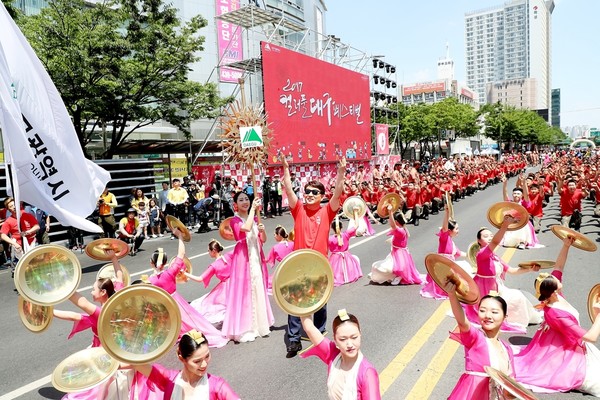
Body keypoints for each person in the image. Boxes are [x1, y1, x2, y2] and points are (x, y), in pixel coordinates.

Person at [513, 236, 600, 396]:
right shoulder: (557, 314)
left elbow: (559, 265)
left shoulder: (553, 293)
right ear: (552, 290)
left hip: (567, 338)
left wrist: (566, 245)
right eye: (554, 278)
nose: (557, 275)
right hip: (568, 348)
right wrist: (599, 315)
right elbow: (591, 337)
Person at [280, 155, 346, 357]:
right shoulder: (298, 209)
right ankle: (293, 340)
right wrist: (285, 169)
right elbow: (289, 190)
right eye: (307, 191)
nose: (308, 194)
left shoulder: (327, 211)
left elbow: (337, 194)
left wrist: (341, 173)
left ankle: (317, 332)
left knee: (319, 300)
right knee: (294, 300)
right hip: (298, 264)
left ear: (321, 196)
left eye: (314, 192)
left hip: (318, 265)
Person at [52, 249, 128, 399]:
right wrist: (113, 258)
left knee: (96, 387)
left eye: (94, 290)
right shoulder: (117, 294)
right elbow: (119, 276)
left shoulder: (101, 314)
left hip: (103, 353)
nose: (91, 292)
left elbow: (79, 307)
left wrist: (62, 287)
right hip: (121, 349)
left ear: (103, 292)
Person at [148, 228, 229, 348]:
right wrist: (180, 236)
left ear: (151, 263)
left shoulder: (150, 280)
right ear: (165, 263)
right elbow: (181, 254)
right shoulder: (170, 272)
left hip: (164, 304)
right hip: (176, 301)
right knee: (191, 321)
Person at [466, 216, 542, 333]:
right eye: (486, 236)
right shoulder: (481, 254)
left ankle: (522, 317)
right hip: (485, 290)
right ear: (479, 241)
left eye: (491, 235)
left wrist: (530, 269)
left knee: (520, 296)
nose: (490, 238)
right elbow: (496, 241)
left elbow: (512, 270)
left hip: (498, 287)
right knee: (515, 298)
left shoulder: (494, 256)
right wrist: (505, 226)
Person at [445, 281, 515, 399]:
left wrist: (511, 393)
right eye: (482, 310)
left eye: (494, 312)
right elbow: (462, 322)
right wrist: (452, 294)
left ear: (504, 317)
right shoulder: (476, 337)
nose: (487, 315)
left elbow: (510, 386)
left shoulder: (507, 349)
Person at [221, 192, 273, 343]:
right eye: (241, 200)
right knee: (244, 291)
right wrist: (252, 211)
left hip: (256, 255)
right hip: (243, 258)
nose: (245, 202)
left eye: (246, 199)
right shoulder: (235, 220)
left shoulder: (255, 218)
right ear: (236, 203)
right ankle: (244, 327)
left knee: (257, 286)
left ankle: (259, 324)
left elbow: (262, 239)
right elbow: (245, 229)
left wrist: (262, 231)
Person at [128, 330, 240, 400]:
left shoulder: (218, 386)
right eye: (197, 361)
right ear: (182, 358)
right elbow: (134, 362)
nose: (204, 364)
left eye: (207, 356)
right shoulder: (168, 380)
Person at [300, 309, 381, 399]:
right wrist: (301, 301)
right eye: (343, 339)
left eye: (354, 337)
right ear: (335, 339)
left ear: (360, 334)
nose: (350, 345)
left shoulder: (367, 373)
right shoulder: (333, 354)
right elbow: (309, 328)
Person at [420, 203, 468, 300]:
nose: (458, 230)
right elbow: (444, 228)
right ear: (450, 231)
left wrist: (473, 255)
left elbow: (460, 253)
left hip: (449, 266)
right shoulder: (444, 238)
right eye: (457, 229)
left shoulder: (451, 241)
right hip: (442, 268)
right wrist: (446, 213)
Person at [369, 207, 423, 286]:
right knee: (381, 266)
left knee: (392, 268)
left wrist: (390, 212)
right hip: (396, 252)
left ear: (397, 221)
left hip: (399, 253)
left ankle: (399, 276)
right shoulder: (402, 228)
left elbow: (392, 225)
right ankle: (388, 276)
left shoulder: (400, 230)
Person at [188, 240, 233, 326]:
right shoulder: (228, 256)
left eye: (208, 250)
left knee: (207, 305)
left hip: (225, 286)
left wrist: (186, 274)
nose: (208, 252)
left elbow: (200, 279)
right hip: (236, 282)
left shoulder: (214, 266)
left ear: (214, 251)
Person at [0, 197, 39, 267]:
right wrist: (14, 243)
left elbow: (37, 226)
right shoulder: (9, 221)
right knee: (24, 267)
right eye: (11, 206)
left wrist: (28, 232)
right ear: (8, 209)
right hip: (19, 248)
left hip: (32, 243)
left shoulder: (27, 215)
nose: (14, 207)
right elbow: (3, 235)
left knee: (36, 264)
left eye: (15, 205)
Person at [328, 218, 362, 287]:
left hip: (335, 258)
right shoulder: (346, 234)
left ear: (332, 228)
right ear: (341, 227)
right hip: (346, 256)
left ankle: (340, 278)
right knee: (351, 265)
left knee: (335, 270)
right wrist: (356, 212)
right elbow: (356, 225)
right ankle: (348, 277)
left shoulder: (330, 239)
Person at [265, 225, 294, 291]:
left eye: (275, 235)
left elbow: (267, 259)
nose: (274, 236)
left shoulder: (275, 247)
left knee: (270, 282)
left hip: (283, 269)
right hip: (293, 267)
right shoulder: (292, 244)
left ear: (279, 235)